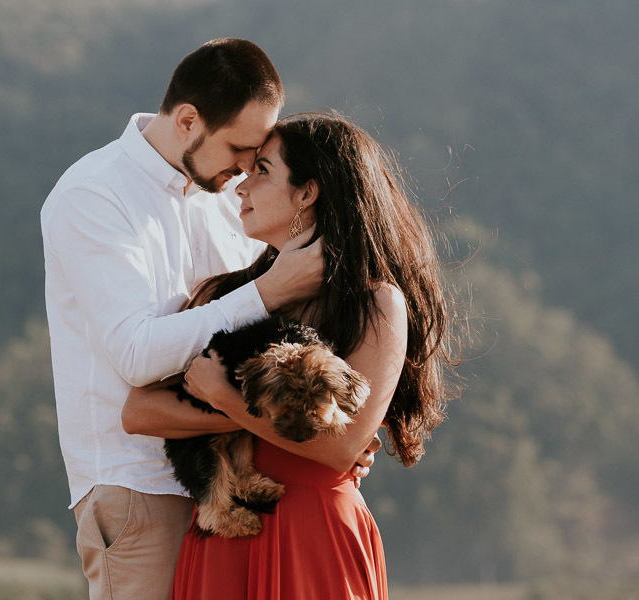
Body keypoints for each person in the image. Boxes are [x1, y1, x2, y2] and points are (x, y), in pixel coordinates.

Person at [41, 40, 378, 600]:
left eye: (257, 158)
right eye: (241, 148)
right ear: (188, 120)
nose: (247, 169)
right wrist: (269, 290)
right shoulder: (93, 196)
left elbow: (247, 344)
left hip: (242, 479)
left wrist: (320, 426)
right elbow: (137, 354)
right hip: (140, 486)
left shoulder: (223, 194)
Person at [122, 112, 459, 599]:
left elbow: (342, 448)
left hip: (316, 534)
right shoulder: (226, 295)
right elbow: (139, 410)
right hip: (227, 536)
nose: (240, 186)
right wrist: (265, 419)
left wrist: (224, 399)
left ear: (307, 192)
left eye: (261, 170)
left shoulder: (375, 302)